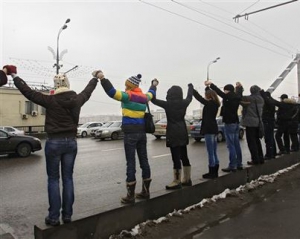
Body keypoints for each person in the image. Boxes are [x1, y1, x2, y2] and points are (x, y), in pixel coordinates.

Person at [4, 65, 99, 226]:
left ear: (55, 86)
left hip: (54, 142)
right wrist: (95, 78)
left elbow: (28, 92)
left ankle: (53, 217)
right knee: (68, 178)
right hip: (71, 142)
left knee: (53, 179)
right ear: (67, 84)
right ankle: (67, 215)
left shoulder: (50, 100)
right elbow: (88, 90)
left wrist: (14, 76)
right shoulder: (77, 100)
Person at [94, 71, 158, 204]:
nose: (124, 87)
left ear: (129, 86)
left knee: (131, 163)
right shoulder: (144, 97)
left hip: (130, 134)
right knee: (144, 161)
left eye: (126, 85)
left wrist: (102, 78)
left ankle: (130, 195)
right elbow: (152, 93)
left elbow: (111, 92)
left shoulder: (127, 96)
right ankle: (146, 191)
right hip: (141, 133)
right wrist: (154, 85)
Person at [151, 83, 193, 190]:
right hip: (182, 131)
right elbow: (189, 97)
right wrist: (190, 87)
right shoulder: (184, 103)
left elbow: (153, 99)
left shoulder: (168, 104)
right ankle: (187, 179)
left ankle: (177, 180)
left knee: (175, 157)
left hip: (173, 132)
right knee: (184, 156)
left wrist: (153, 86)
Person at [205, 80, 243, 172]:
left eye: (225, 90)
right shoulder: (237, 96)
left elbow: (219, 92)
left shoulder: (228, 96)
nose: (224, 92)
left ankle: (232, 165)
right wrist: (239, 87)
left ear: (227, 90)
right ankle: (239, 164)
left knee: (231, 145)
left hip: (229, 122)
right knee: (236, 144)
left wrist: (211, 84)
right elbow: (239, 92)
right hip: (236, 122)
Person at [192, 87, 220, 178]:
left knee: (210, 151)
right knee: (214, 151)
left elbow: (199, 98)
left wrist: (193, 90)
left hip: (208, 129)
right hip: (214, 128)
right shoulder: (216, 104)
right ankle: (215, 170)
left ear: (208, 96)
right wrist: (207, 89)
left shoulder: (209, 104)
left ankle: (211, 171)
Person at [240, 85, 265, 165]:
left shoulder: (250, 98)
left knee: (251, 142)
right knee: (257, 141)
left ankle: (255, 159)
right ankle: (261, 158)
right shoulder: (261, 99)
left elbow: (239, 98)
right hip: (258, 122)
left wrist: (239, 89)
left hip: (250, 123)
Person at [260, 91, 277, 159]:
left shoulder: (268, 102)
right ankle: (273, 153)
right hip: (270, 121)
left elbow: (267, 101)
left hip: (267, 121)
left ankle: (269, 154)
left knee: (268, 138)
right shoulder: (272, 101)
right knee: (271, 138)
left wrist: (262, 94)